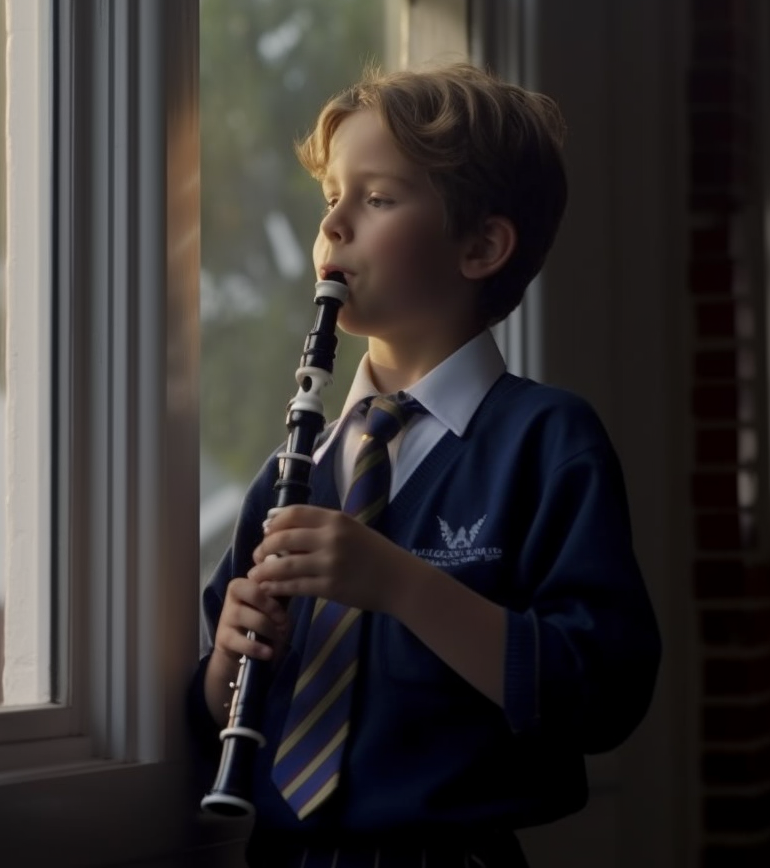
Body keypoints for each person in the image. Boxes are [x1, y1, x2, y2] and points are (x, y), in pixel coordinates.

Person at [188, 63, 661, 868]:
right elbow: (221, 710)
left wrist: (400, 584)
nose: (334, 224)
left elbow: (600, 692)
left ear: (481, 245)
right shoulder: (292, 471)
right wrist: (226, 660)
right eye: (330, 196)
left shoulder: (546, 439)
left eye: (376, 199)